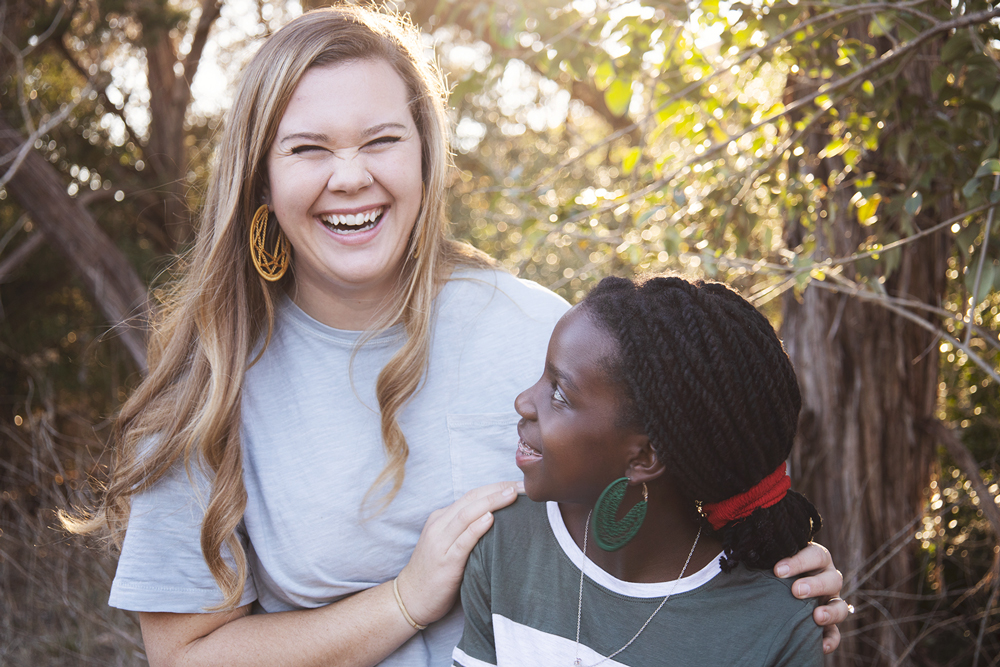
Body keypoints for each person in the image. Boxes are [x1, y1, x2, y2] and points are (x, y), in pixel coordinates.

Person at [62, 6, 848, 666]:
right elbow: (183, 653)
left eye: (380, 140)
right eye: (308, 149)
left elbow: (680, 490)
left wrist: (772, 579)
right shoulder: (210, 384)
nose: (350, 176)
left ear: (426, 155)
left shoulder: (541, 332)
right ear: (261, 178)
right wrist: (402, 599)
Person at [454, 275, 826, 667]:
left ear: (645, 457)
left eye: (559, 393)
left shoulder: (776, 624)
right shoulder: (506, 545)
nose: (523, 402)